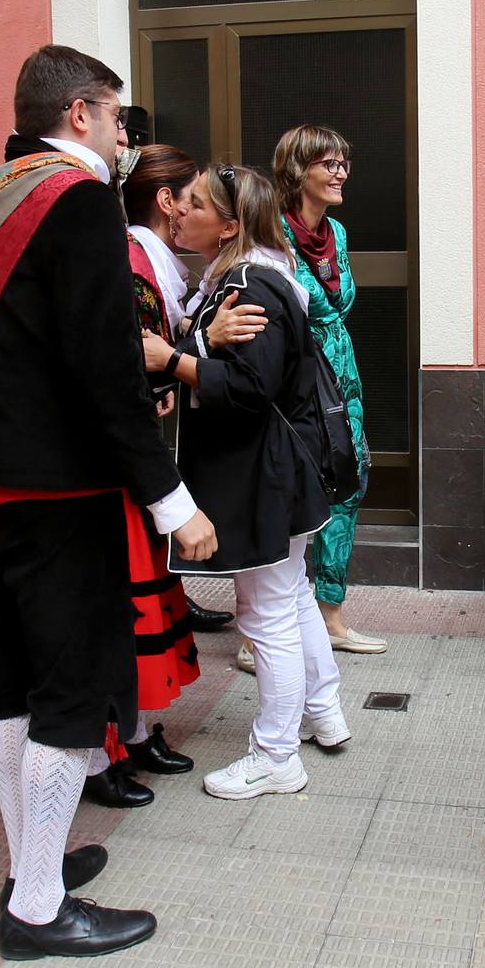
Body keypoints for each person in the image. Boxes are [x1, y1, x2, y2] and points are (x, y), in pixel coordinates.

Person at [0, 44, 217, 961]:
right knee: (69, 692)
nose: (127, 137)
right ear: (82, 114)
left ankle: (32, 866)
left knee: (5, 676)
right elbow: (105, 366)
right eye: (120, 118)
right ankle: (39, 912)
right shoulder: (80, 202)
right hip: (60, 491)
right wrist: (172, 502)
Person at [143, 165, 349, 799]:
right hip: (276, 471)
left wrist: (173, 361)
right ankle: (324, 712)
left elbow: (252, 389)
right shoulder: (239, 277)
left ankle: (276, 755)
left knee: (266, 617)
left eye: (195, 203)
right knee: (288, 599)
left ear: (230, 225)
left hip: (264, 473)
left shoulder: (248, 284)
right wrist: (198, 338)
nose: (179, 210)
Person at [228, 122, 383, 662]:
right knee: (281, 496)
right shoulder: (272, 233)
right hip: (290, 381)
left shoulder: (336, 233)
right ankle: (257, 633)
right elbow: (299, 306)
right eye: (329, 163)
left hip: (341, 378)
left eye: (344, 162)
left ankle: (330, 614)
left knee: (348, 486)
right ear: (298, 170)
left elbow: (336, 304)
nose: (341, 172)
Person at [121, 142, 263, 637]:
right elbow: (142, 357)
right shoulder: (137, 264)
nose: (188, 209)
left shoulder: (166, 263)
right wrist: (203, 340)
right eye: (191, 198)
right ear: (166, 202)